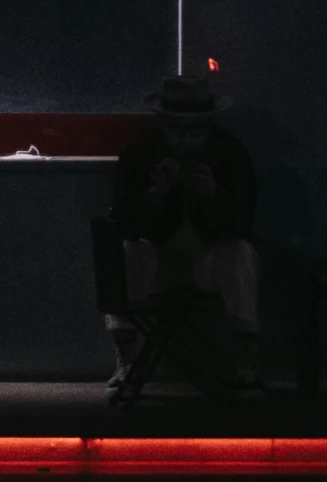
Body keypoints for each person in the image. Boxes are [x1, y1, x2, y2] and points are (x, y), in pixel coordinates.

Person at [107, 74, 260, 389]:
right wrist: (155, 194)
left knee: (240, 254)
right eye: (176, 131)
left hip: (208, 260)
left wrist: (213, 194)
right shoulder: (141, 151)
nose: (185, 141)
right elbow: (122, 219)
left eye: (195, 132)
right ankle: (126, 359)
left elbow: (243, 222)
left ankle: (247, 363)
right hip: (157, 259)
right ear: (163, 125)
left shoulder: (229, 153)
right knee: (123, 253)